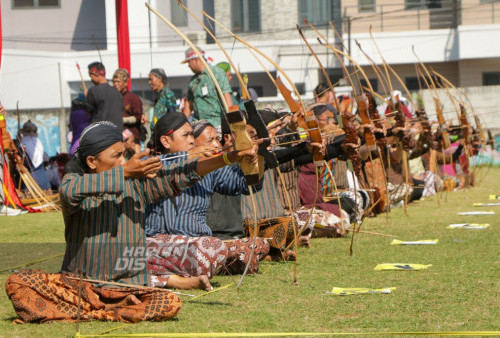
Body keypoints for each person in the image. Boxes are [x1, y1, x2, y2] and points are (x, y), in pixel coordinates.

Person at [5, 121, 257, 323]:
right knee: (18, 283)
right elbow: (70, 191)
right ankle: (106, 308)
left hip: (129, 288)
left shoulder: (137, 185)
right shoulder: (75, 183)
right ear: (92, 162)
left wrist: (229, 158)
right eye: (116, 156)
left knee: (169, 303)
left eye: (124, 155)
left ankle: (110, 306)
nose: (124, 162)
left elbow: (182, 174)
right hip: (80, 287)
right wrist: (125, 172)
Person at [145, 113, 269, 286]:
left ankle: (197, 267)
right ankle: (183, 276)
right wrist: (211, 156)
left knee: (255, 245)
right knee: (211, 249)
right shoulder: (150, 164)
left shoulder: (209, 166)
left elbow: (245, 185)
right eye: (186, 135)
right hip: (162, 244)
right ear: (166, 142)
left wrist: (256, 159)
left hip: (199, 243)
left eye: (191, 135)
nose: (191, 140)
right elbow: (168, 166)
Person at [182, 46, 233, 127]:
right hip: (199, 125)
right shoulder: (193, 81)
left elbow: (227, 98)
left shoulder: (217, 73)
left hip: (217, 124)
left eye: (189, 62)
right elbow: (189, 105)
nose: (188, 66)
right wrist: (181, 123)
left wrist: (232, 123)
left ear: (196, 59)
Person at [85, 62, 123, 130]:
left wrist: (87, 97)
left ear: (95, 73)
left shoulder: (93, 91)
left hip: (100, 132)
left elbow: (87, 113)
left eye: (90, 75)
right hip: (117, 132)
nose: (91, 79)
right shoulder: (117, 92)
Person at [18, 120, 51, 190]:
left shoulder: (22, 144)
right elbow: (46, 161)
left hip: (30, 182)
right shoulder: (38, 142)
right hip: (44, 180)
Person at [112, 68, 143, 143]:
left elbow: (138, 117)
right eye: (114, 82)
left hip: (131, 138)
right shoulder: (112, 98)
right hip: (116, 136)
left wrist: (123, 120)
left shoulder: (133, 98)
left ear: (125, 83)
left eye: (118, 82)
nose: (116, 84)